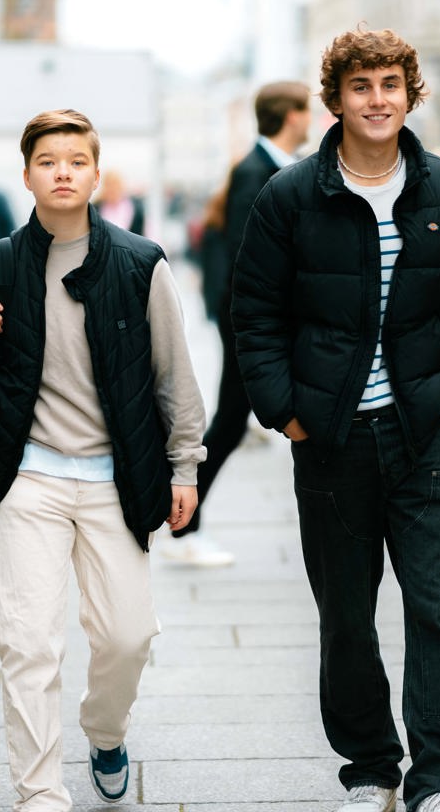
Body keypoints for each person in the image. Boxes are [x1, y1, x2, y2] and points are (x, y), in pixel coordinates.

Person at [232, 29, 440, 812]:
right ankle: (373, 769)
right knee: (346, 616)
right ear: (336, 99)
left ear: (409, 94)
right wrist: (288, 414)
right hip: (333, 439)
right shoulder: (288, 196)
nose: (377, 99)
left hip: (429, 439)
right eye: (361, 86)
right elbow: (255, 312)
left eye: (390, 84)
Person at [0, 109, 207, 808]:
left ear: (95, 173)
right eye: (49, 161)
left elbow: (175, 375)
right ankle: (40, 794)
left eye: (77, 161)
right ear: (27, 176)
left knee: (127, 636)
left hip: (116, 478)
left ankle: (104, 730)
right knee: (28, 643)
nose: (63, 172)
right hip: (27, 478)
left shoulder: (140, 264)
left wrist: (185, 466)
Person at [162, 80, 311, 568]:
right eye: (306, 110)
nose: (311, 119)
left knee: (232, 421)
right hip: (257, 324)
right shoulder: (257, 172)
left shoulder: (270, 168)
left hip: (266, 323)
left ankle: (183, 526)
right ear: (290, 116)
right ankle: (183, 528)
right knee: (228, 421)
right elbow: (254, 257)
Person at [96, 169, 145, 235]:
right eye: (109, 185)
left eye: (115, 184)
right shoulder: (97, 208)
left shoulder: (136, 208)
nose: (112, 189)